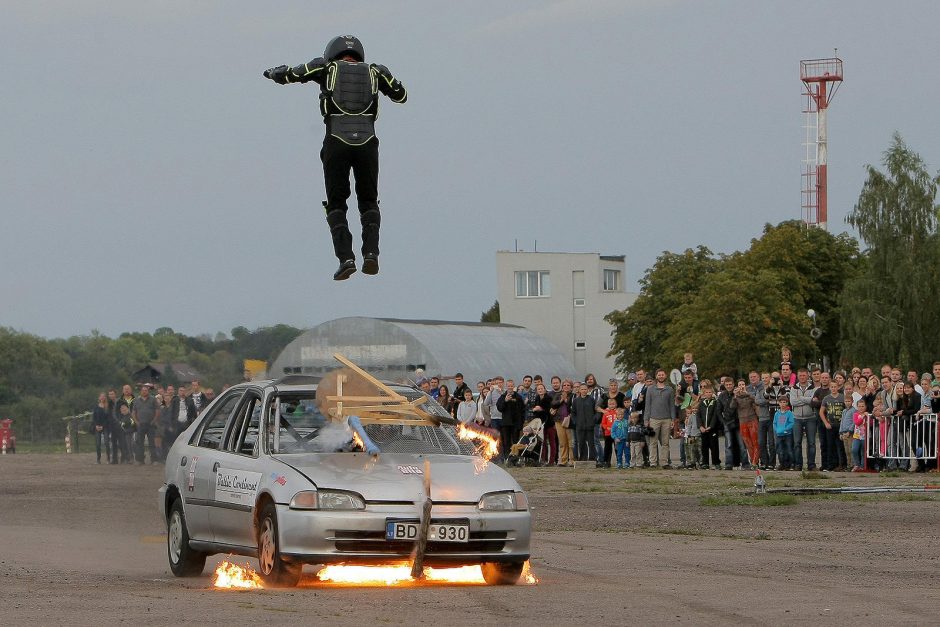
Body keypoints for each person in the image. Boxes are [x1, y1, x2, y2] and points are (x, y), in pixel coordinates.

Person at [263, 35, 407, 280]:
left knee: (336, 202)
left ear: (333, 52)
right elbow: (400, 95)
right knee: (369, 201)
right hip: (368, 143)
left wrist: (273, 73)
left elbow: (292, 74)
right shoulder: (376, 71)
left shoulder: (325, 67)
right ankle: (371, 254)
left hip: (336, 142)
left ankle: (346, 258)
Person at [645, 369, 676, 468]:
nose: (661, 376)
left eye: (662, 374)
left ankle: (664, 462)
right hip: (653, 419)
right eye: (659, 375)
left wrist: (673, 419)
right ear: (656, 376)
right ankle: (653, 462)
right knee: (653, 442)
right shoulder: (650, 389)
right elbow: (648, 405)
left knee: (665, 442)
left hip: (666, 419)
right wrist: (646, 419)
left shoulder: (670, 389)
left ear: (665, 376)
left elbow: (672, 405)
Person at [789, 368, 817, 471]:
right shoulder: (793, 388)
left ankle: (811, 465)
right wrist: (807, 400)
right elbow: (792, 402)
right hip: (797, 418)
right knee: (797, 443)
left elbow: (813, 401)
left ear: (808, 376)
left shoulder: (813, 387)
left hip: (810, 418)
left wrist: (800, 398)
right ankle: (798, 464)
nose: (802, 377)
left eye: (804, 375)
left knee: (811, 443)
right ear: (797, 376)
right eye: (800, 375)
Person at [819, 381, 846, 471]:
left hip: (840, 426)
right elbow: (821, 412)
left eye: (835, 387)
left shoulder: (843, 397)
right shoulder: (826, 398)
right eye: (832, 387)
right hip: (830, 425)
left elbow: (847, 410)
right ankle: (830, 465)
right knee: (830, 445)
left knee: (840, 446)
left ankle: (842, 464)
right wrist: (826, 423)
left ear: (838, 387)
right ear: (829, 388)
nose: (833, 388)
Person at [696, 381, 721, 469]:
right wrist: (700, 426)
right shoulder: (702, 403)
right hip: (703, 429)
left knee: (714, 446)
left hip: (712, 429)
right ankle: (705, 462)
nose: (708, 394)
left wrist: (711, 426)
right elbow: (698, 415)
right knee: (704, 446)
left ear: (713, 393)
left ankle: (716, 462)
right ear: (704, 393)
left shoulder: (715, 403)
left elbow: (715, 415)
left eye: (710, 392)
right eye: (706, 392)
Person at [132, 384, 159, 464]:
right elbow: (133, 412)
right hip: (140, 425)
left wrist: (153, 421)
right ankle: (140, 460)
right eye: (143, 390)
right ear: (140, 391)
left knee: (152, 443)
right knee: (139, 443)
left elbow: (157, 411)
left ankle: (154, 460)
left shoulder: (153, 399)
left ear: (148, 391)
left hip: (151, 424)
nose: (144, 392)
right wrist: (136, 422)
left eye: (146, 390)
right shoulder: (136, 400)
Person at [551, 380, 574, 466]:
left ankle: (572, 460)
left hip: (569, 421)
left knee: (571, 442)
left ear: (571, 387)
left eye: (568, 385)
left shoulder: (573, 396)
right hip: (559, 421)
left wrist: (566, 401)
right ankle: (563, 460)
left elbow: (572, 407)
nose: (566, 386)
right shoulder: (558, 395)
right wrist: (561, 400)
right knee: (562, 442)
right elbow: (553, 404)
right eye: (564, 385)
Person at [572, 383, 597, 462]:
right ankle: (583, 458)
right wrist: (576, 421)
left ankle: (592, 458)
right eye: (582, 389)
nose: (584, 391)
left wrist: (593, 420)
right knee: (581, 442)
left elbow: (595, 411)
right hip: (580, 426)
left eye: (585, 389)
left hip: (590, 425)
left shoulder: (591, 399)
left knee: (591, 443)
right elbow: (573, 413)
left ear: (588, 390)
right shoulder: (576, 401)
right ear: (579, 390)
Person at [773, 397, 796, 470]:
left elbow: (792, 423)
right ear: (779, 403)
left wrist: (785, 429)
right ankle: (782, 464)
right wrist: (776, 430)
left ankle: (792, 464)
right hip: (779, 434)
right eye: (781, 402)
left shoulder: (789, 413)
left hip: (787, 434)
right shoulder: (777, 413)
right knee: (780, 450)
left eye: (784, 402)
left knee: (789, 449)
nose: (783, 404)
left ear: (787, 403)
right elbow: (774, 423)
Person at [92, 393, 111, 464]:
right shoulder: (96, 407)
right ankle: (98, 459)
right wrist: (96, 425)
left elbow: (108, 418)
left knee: (106, 442)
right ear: (99, 398)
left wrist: (103, 426)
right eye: (101, 396)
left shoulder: (107, 407)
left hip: (105, 427)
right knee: (98, 443)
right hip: (97, 426)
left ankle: (108, 459)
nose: (102, 398)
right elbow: (94, 417)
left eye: (104, 396)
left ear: (105, 398)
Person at [599, 398, 618, 468]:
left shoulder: (617, 412)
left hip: (616, 434)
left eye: (613, 404)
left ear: (616, 404)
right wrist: (607, 427)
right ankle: (606, 462)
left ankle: (619, 462)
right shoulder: (606, 413)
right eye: (610, 404)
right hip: (608, 433)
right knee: (607, 448)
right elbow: (603, 423)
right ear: (608, 405)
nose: (612, 405)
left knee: (617, 448)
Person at [851, 399, 869, 471]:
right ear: (857, 407)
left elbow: (870, 423)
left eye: (862, 406)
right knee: (854, 450)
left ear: (865, 407)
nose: (861, 408)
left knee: (863, 452)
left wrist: (867, 416)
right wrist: (862, 416)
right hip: (857, 436)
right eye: (859, 406)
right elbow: (857, 423)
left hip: (865, 436)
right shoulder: (856, 414)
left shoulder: (868, 415)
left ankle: (862, 466)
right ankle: (856, 464)